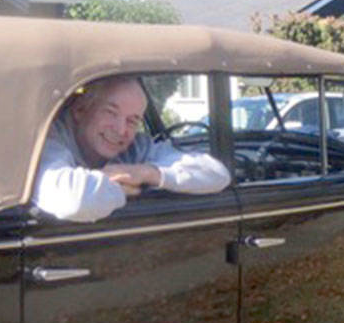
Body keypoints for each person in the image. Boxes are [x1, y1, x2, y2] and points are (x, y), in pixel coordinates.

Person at [34, 76, 231, 222]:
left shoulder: (136, 146)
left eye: (133, 120)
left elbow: (217, 173)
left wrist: (146, 173)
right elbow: (73, 201)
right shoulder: (48, 141)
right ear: (80, 110)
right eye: (111, 112)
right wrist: (125, 188)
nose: (121, 130)